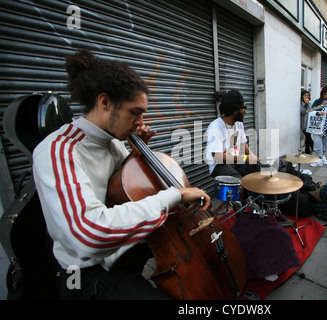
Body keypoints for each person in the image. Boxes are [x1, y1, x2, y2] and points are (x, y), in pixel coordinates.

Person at [32, 49, 210, 299]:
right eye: (134, 112)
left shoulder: (113, 140)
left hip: (121, 252)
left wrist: (137, 155)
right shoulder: (58, 151)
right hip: (87, 272)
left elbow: (117, 191)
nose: (141, 122)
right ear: (105, 103)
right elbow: (89, 233)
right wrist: (174, 195)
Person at [206, 89, 260, 179]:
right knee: (238, 182)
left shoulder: (239, 124)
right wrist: (244, 158)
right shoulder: (215, 127)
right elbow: (218, 158)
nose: (244, 111)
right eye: (242, 108)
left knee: (258, 171)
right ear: (233, 110)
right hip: (219, 165)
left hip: (235, 160)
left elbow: (243, 144)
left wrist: (252, 155)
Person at [309, 85, 327, 167]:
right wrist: (319, 112)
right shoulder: (318, 101)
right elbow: (312, 111)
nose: (326, 96)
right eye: (325, 94)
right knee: (317, 144)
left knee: (325, 144)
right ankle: (318, 158)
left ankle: (323, 156)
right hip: (317, 126)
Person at [300, 90, 314, 154]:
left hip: (308, 122)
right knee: (308, 136)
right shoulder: (301, 104)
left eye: (308, 95)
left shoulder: (309, 103)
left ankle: (307, 149)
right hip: (303, 123)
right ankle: (312, 147)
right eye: (305, 95)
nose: (306, 97)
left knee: (308, 136)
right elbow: (303, 112)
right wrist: (305, 104)